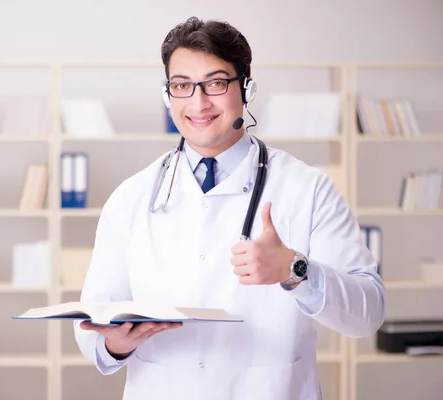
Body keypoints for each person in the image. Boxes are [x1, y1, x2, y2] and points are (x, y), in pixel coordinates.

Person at [73, 16, 385, 400]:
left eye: (216, 84)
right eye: (182, 86)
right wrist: (115, 343)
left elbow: (368, 314)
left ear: (247, 89)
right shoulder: (130, 197)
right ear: (167, 93)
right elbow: (93, 321)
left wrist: (295, 270)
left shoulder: (307, 189)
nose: (198, 103)